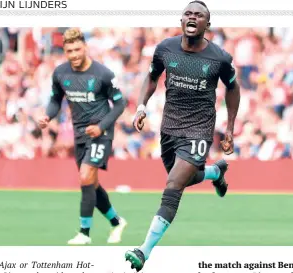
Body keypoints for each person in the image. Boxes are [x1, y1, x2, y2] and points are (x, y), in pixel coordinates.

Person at [125, 1, 241, 271]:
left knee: (173, 185)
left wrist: (231, 128)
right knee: (183, 178)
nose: (192, 17)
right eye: (188, 13)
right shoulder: (165, 48)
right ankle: (215, 173)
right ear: (181, 21)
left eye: (199, 15)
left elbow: (233, 89)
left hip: (200, 129)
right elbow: (152, 77)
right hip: (170, 128)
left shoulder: (219, 58)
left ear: (206, 25)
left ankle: (144, 251)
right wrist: (141, 106)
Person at [37, 28, 128, 245]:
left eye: (78, 49)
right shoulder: (60, 73)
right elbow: (55, 101)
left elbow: (120, 104)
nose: (74, 54)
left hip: (101, 133)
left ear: (85, 47)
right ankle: (117, 222)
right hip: (80, 135)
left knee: (86, 176)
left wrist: (101, 126)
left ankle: (84, 234)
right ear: (65, 51)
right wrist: (47, 116)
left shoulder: (103, 74)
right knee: (91, 185)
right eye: (70, 51)